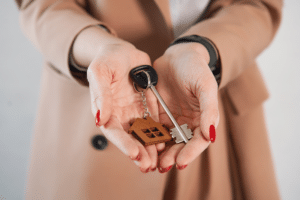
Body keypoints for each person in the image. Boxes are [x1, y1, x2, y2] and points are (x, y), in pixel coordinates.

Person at [16, 0, 282, 199]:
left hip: (210, 97)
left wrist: (205, 49)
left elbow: (258, 5)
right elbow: (44, 5)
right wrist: (101, 48)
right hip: (105, 103)